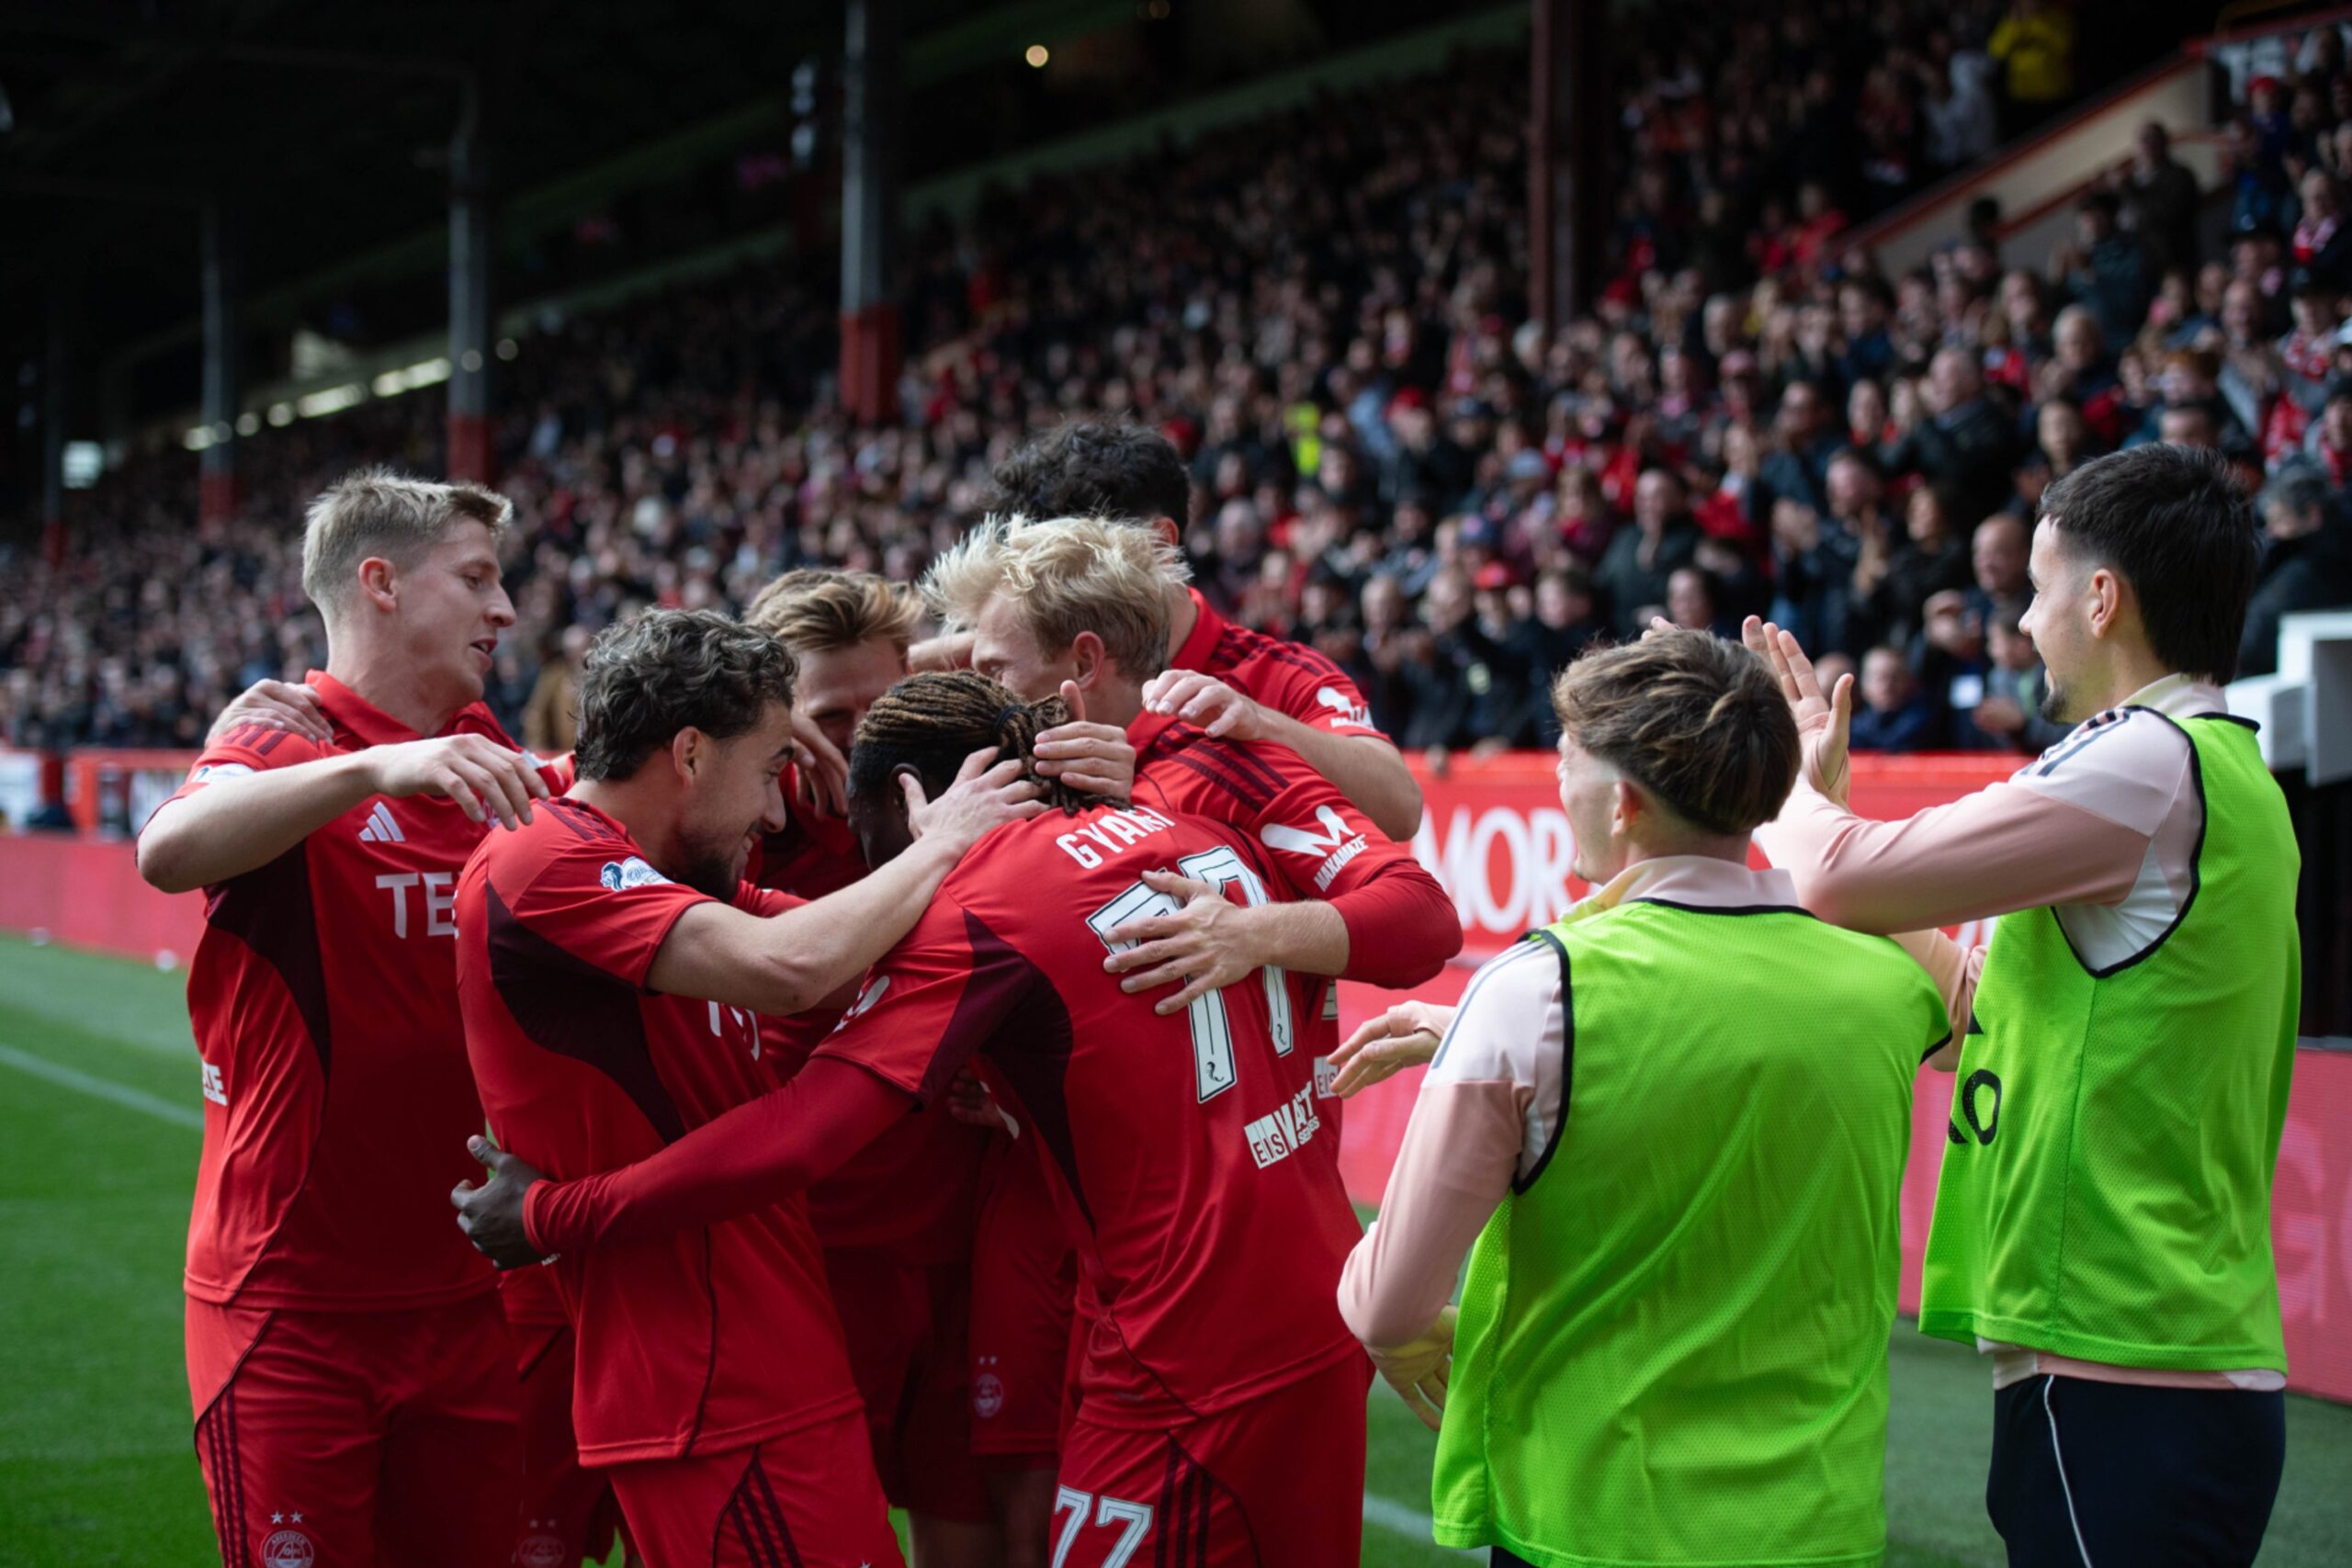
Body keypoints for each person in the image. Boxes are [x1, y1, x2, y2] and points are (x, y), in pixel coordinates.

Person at [456, 671, 1394, 1566]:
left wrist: (552, 1215)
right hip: (1316, 1308)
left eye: (872, 841)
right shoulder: (1179, 823)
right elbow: (1422, 918)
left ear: (923, 804)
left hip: (1180, 1360)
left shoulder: (982, 910)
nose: (808, 831)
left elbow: (804, 1124)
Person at [1750, 441, 2298, 1565]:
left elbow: (1838, 873)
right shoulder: (2200, 769)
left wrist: (1793, 795)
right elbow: (1974, 1012)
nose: (2020, 625)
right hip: (2135, 1356)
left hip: (2124, 1353)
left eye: (2040, 591)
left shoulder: (2143, 761)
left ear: (2102, 600)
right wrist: (1837, 832)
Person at [1329, 630, 1948, 1567]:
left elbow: (1386, 1307)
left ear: (1620, 801)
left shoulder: (1536, 991)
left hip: (1592, 1520)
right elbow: (1957, 1001)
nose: (1556, 787)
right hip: (1818, 1526)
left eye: (1567, 763)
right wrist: (1824, 817)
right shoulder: (1887, 983)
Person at [918, 515, 1462, 1562]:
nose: (977, 690)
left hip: (1217, 1298)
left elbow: (1422, 917)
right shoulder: (1035, 797)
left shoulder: (1223, 762)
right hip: (1105, 1241)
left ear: (1080, 665)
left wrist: (1252, 930)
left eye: (993, 666)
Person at [450, 611, 1038, 1568]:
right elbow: (795, 967)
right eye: (768, 771)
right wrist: (945, 844)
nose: (775, 814)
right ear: (688, 753)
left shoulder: (668, 877)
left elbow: (844, 950)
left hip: (759, 1381)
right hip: (706, 1396)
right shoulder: (545, 858)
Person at [132, 470, 564, 1568]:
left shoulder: (488, 748)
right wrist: (370, 766)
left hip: (473, 1295)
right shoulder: (285, 741)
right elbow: (166, 851)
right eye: (476, 578)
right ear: (378, 583)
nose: (504, 609)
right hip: (291, 1310)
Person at [738, 567, 1132, 1568]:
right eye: (834, 714)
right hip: (820, 1256)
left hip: (965, 1248)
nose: (877, 739)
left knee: (985, 1542)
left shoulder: (989, 791)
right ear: (774, 718)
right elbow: (587, 797)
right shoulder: (745, 823)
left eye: (888, 700)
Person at [945, 418, 1424, 839]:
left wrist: (1260, 724)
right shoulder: (1010, 676)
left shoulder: (1274, 677)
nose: (1042, 591)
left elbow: (1401, 811)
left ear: (1158, 544)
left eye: (1067, 563)